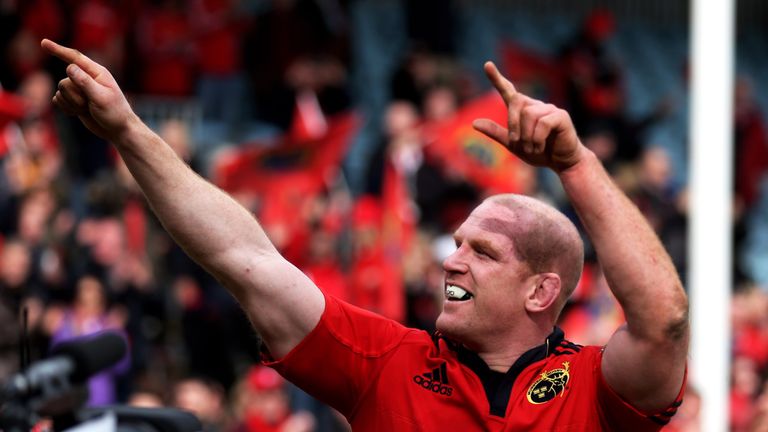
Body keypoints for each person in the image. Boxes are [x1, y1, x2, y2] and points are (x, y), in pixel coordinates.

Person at [41, 38, 688, 430]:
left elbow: (663, 322)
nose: (452, 263)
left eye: (483, 252)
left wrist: (575, 165)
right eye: (457, 243)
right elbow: (245, 259)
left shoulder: (598, 391)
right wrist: (129, 132)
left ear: (542, 290)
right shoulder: (386, 363)